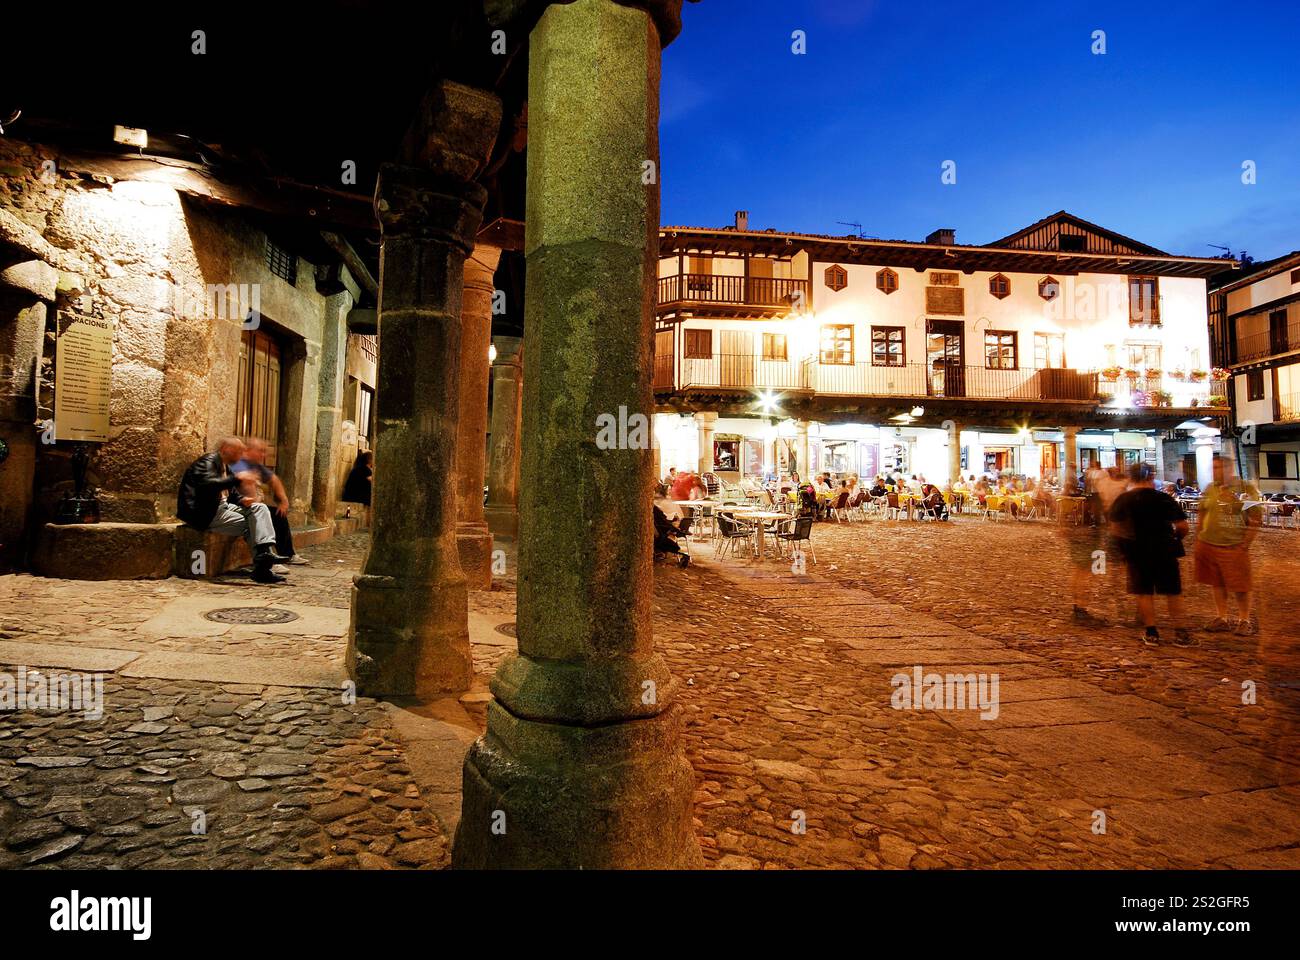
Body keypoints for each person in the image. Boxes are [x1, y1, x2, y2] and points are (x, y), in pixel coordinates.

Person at [176, 438, 288, 583]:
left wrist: (242, 500)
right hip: (204, 513)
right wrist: (236, 479)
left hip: (223, 508)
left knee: (260, 508)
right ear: (226, 449)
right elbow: (206, 484)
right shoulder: (207, 462)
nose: (242, 456)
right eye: (239, 452)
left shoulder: (225, 465)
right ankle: (262, 569)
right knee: (253, 525)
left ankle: (264, 550)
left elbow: (232, 492)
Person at [1108, 462, 1192, 646]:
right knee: (1173, 592)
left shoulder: (1123, 500)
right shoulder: (1163, 498)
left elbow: (1115, 528)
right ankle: (1181, 633)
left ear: (1131, 477)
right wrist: (1176, 538)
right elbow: (1182, 527)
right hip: (1165, 549)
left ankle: (1152, 632)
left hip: (1137, 551)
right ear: (1151, 477)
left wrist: (1123, 547)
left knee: (1144, 592)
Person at [1194, 456, 1263, 635]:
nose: (1214, 471)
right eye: (1213, 468)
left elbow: (1255, 517)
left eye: (1217, 468)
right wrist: (1199, 538)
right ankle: (1222, 617)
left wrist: (1245, 544)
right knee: (1217, 583)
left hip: (1234, 545)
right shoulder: (1211, 488)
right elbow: (1202, 512)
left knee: (1241, 585)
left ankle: (1244, 619)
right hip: (1210, 544)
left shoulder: (1245, 489)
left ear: (1228, 469)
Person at [232, 437, 308, 574]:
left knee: (278, 513)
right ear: (248, 451)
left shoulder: (255, 465)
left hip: (251, 504)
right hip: (239, 505)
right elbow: (246, 488)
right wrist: (257, 501)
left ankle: (287, 554)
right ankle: (268, 558)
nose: (264, 455)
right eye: (260, 451)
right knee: (262, 514)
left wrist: (284, 500)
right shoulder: (240, 464)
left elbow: (274, 480)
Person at [653, 501, 691, 568]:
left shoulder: (655, 509)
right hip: (662, 533)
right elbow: (663, 521)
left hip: (663, 532)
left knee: (671, 538)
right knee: (672, 541)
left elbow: (663, 521)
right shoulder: (656, 509)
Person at [341, 450, 373, 522]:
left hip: (350, 495)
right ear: (369, 460)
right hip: (357, 496)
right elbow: (373, 482)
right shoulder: (366, 470)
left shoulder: (357, 468)